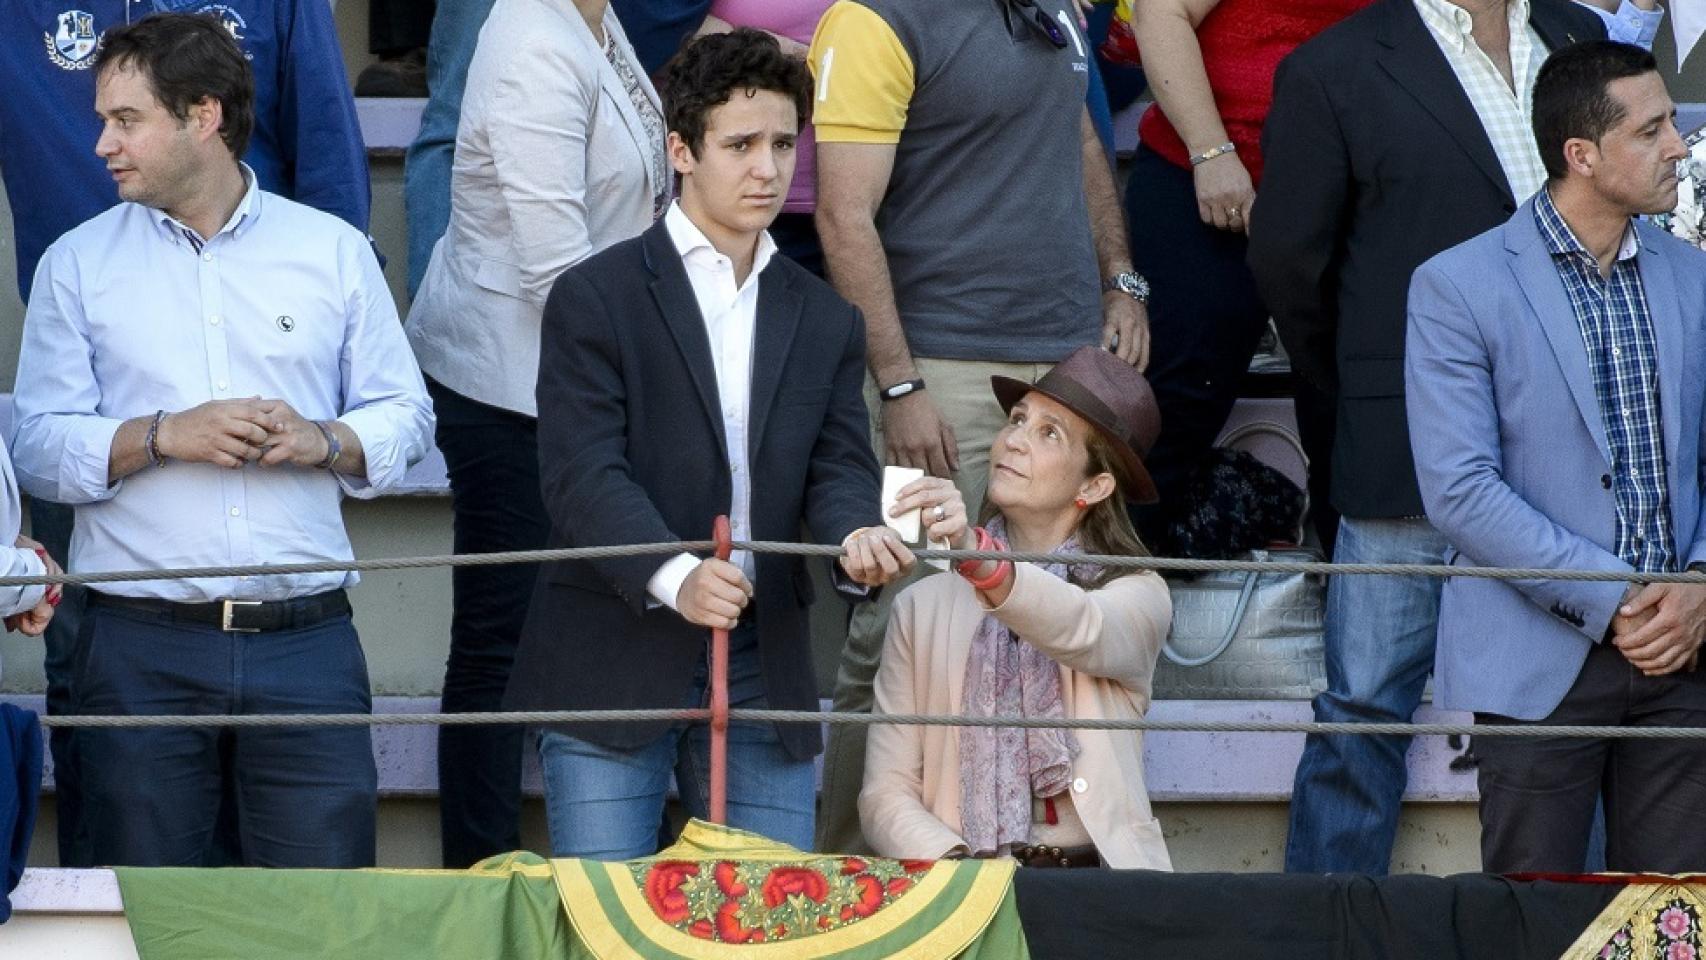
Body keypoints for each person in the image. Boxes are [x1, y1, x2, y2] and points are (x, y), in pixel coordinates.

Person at [10, 13, 434, 868]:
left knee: (324, 923)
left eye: (126, 121)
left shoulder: (335, 252)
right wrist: (163, 436)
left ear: (203, 115)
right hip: (139, 649)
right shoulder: (75, 263)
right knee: (154, 922)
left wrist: (325, 440)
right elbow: (39, 448)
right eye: (102, 120)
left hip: (307, 646)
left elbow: (408, 416)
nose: (101, 145)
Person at [502, 29, 912, 860]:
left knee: (770, 929)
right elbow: (581, 473)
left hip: (767, 654)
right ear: (680, 149)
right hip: (614, 647)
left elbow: (838, 464)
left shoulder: (827, 314)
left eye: (784, 144)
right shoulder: (595, 295)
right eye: (741, 145)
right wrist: (678, 578)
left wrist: (855, 537)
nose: (768, 168)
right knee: (604, 928)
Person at [1247, 0, 1604, 875]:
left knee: (1568, 716)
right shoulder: (1333, 67)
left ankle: (1567, 929)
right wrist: (1372, 388)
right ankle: (1322, 937)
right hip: (1403, 451)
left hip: (1579, 454)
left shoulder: (1579, 33)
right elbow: (1291, 262)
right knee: (1363, 713)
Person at [809, 0, 1151, 855]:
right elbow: (841, 217)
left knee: (1070, 613)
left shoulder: (1055, 10)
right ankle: (856, 874)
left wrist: (1122, 279)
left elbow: (1077, 145)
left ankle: (1066, 853)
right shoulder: (875, 18)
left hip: (1065, 369)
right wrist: (899, 384)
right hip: (938, 372)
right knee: (894, 618)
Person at [1408, 41, 1706, 874]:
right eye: (1651, 130)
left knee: (1674, 920)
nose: (1678, 145)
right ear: (1582, 155)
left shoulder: (1695, 279)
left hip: (1683, 658)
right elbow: (1460, 490)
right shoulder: (1457, 285)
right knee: (1528, 922)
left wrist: (1699, 587)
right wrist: (1615, 600)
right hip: (1538, 662)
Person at [404, 0, 664, 869]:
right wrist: (661, 387)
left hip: (587, 378)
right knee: (497, 646)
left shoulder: (594, 18)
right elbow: (562, 271)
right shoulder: (527, 36)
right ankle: (479, 878)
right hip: (508, 387)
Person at [861, 347, 1174, 870]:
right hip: (963, 883)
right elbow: (884, 794)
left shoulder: (1138, 591)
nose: (1014, 441)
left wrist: (975, 554)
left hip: (1101, 885)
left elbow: (1081, 626)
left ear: (1094, 486)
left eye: (1050, 433)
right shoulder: (920, 607)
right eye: (1017, 419)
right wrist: (964, 877)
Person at [1124, 0, 1371, 554]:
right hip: (1207, 175)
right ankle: (1108, 602)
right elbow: (1160, 14)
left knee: (1350, 414)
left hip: (1348, 188)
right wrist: (1210, 154)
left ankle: (1355, 616)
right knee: (1173, 398)